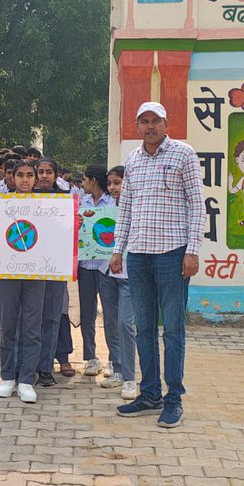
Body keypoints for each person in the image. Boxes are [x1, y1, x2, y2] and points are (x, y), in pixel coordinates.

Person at [110, 102, 205, 429]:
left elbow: (197, 204)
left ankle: (173, 398)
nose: (150, 127)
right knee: (144, 328)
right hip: (138, 255)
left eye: (155, 121)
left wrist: (192, 251)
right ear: (137, 126)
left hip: (172, 255)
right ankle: (149, 393)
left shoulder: (183, 154)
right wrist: (118, 248)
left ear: (166, 123)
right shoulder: (133, 161)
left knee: (173, 329)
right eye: (144, 122)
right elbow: (126, 209)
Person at [0, 160, 46, 404]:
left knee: (32, 326)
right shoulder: (0, 205)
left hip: (37, 272)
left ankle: (26, 378)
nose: (25, 180)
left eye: (29, 175)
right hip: (7, 271)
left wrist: (72, 224)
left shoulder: (48, 206)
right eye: (20, 175)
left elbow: (57, 232)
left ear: (36, 179)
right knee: (8, 324)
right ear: (12, 178)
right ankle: (7, 376)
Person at [35, 157, 73, 385]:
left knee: (52, 317)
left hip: (55, 267)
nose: (44, 176)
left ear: (56, 175)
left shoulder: (66, 200)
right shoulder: (22, 199)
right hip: (28, 269)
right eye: (40, 171)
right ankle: (29, 366)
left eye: (49, 171)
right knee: (30, 319)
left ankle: (47, 367)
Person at [76, 165, 113, 380]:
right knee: (87, 313)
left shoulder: (112, 203)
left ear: (93, 181)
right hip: (85, 266)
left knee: (110, 313)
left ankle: (112, 358)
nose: (82, 184)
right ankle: (91, 356)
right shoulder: (83, 202)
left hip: (106, 265)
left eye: (84, 180)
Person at [106, 166, 139, 401]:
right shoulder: (105, 209)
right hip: (106, 273)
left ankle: (129, 378)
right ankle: (117, 369)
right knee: (110, 324)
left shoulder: (138, 208)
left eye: (117, 182)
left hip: (130, 275)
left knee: (125, 324)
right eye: (110, 183)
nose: (113, 188)